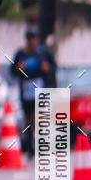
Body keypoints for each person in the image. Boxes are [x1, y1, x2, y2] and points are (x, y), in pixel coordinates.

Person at [11, 27, 56, 155]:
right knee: (29, 120)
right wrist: (18, 69)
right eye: (29, 39)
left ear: (37, 39)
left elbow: (54, 67)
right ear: (26, 40)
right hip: (26, 92)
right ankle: (31, 148)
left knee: (40, 118)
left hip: (41, 90)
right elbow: (12, 71)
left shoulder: (43, 53)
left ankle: (42, 145)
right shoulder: (21, 54)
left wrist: (48, 68)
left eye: (34, 39)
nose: (32, 41)